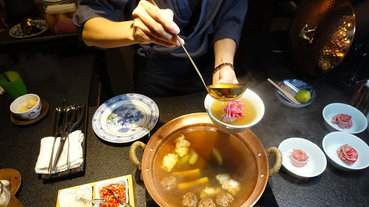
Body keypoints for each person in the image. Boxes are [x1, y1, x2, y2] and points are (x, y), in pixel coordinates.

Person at [73, 0, 248, 97]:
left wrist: (223, 65)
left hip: (210, 72)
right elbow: (88, 29)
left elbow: (228, 20)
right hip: (158, 78)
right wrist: (134, 31)